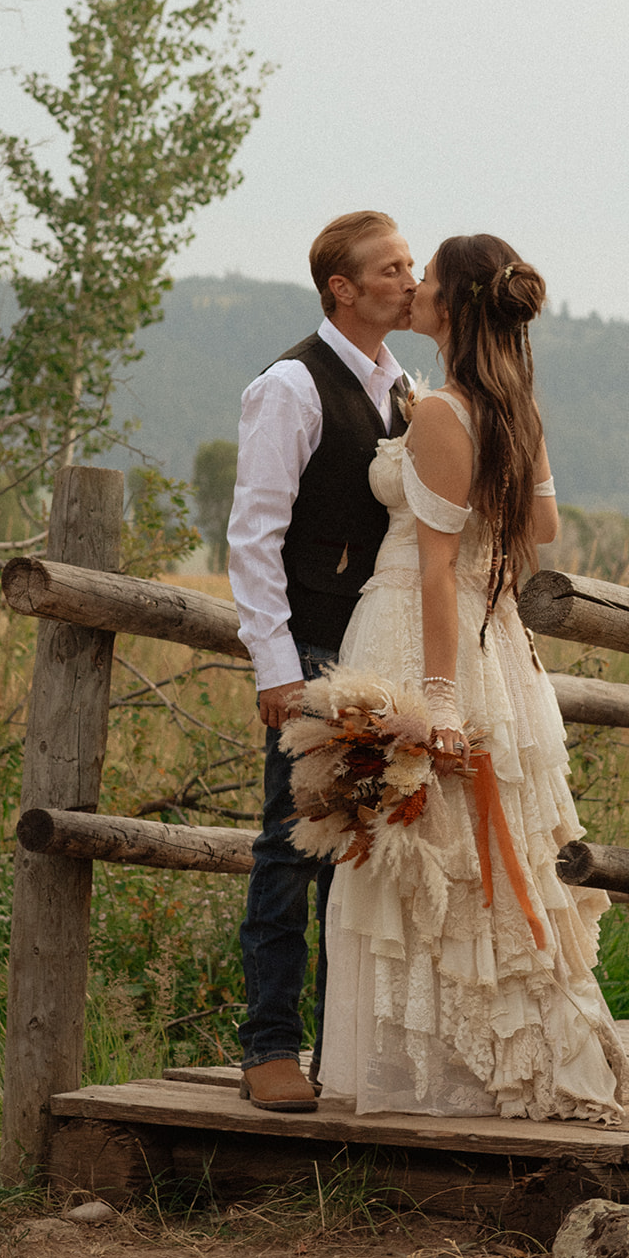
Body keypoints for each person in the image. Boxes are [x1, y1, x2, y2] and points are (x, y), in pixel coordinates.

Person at [316, 234, 629, 1120]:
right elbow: (545, 526)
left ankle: (451, 1073)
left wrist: (440, 700)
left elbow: (433, 566)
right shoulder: (511, 409)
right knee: (469, 855)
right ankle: (467, 1057)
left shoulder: (444, 413)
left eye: (426, 280)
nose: (411, 288)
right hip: (492, 632)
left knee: (430, 855)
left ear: (450, 305)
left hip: (428, 633)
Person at [226, 209, 415, 1111]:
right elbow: (253, 539)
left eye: (411, 264)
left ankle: (340, 1047)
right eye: (389, 267)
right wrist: (274, 665)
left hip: (377, 647)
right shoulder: (291, 387)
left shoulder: (403, 383)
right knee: (287, 847)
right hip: (306, 644)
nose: (407, 279)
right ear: (341, 287)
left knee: (364, 849)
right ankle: (268, 1047)